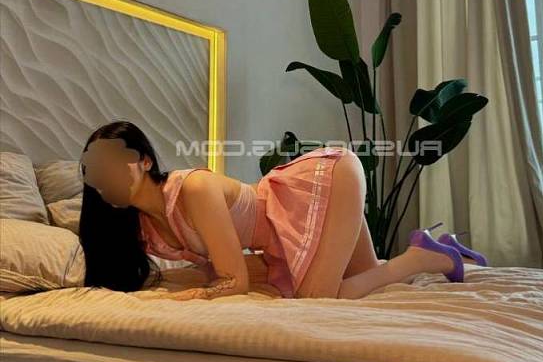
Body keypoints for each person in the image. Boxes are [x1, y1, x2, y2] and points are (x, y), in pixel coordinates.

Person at [78, 121, 486, 301]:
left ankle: (419, 257)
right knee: (365, 278)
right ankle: (437, 251)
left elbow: (233, 280)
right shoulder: (143, 230)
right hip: (291, 223)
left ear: (145, 160)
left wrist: (190, 297)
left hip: (321, 182)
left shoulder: (193, 188)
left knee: (317, 297)